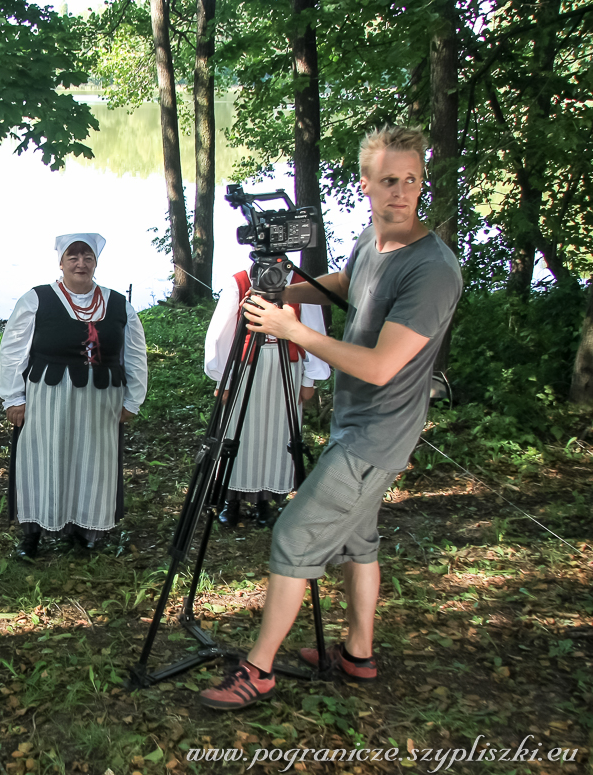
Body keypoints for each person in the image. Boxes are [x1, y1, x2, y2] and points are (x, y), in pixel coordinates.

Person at [198, 126, 463, 710]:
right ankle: (358, 655)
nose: (401, 192)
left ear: (423, 183)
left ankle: (258, 671)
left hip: (377, 433)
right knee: (358, 542)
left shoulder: (432, 269)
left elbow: (379, 367)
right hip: (357, 423)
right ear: (365, 184)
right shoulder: (376, 238)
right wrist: (288, 294)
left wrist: (290, 330)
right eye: (388, 180)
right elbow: (348, 287)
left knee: (294, 536)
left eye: (411, 180)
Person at [0, 233, 148, 558]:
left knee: (93, 462)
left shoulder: (119, 304)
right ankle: (32, 534)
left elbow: (135, 355)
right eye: (73, 257)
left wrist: (133, 398)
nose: (81, 264)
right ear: (61, 262)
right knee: (43, 459)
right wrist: (13, 398)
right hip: (48, 399)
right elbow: (13, 352)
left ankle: (84, 531)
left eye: (87, 257)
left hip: (101, 401)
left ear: (95, 261)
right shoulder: (37, 299)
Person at [204, 269, 330, 527]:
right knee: (240, 432)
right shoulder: (239, 281)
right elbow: (222, 334)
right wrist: (223, 379)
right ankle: (232, 500)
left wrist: (310, 379)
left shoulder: (298, 284)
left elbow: (313, 329)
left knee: (278, 434)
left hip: (287, 368)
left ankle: (266, 500)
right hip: (246, 367)